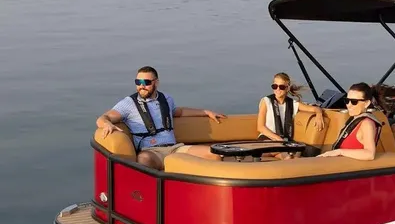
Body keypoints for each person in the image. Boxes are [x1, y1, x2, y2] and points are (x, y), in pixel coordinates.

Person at [96, 66, 226, 170]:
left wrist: (206, 112)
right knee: (143, 161)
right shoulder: (128, 103)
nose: (142, 86)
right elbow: (103, 117)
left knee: (213, 154)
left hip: (175, 148)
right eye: (138, 82)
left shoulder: (166, 99)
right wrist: (106, 124)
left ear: (156, 82)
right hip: (151, 151)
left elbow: (178, 112)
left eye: (146, 82)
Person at [257, 72, 325, 159]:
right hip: (267, 139)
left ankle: (289, 159)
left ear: (287, 88)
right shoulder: (266, 101)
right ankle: (289, 156)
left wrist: (319, 114)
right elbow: (260, 127)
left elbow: (315, 109)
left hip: (284, 142)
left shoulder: (293, 104)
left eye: (281, 87)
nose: (277, 89)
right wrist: (278, 139)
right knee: (284, 151)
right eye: (274, 86)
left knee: (288, 155)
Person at [319, 83, 384, 161]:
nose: (349, 105)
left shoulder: (367, 124)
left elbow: (370, 154)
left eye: (354, 102)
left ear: (366, 103)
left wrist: (339, 152)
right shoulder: (354, 120)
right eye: (347, 101)